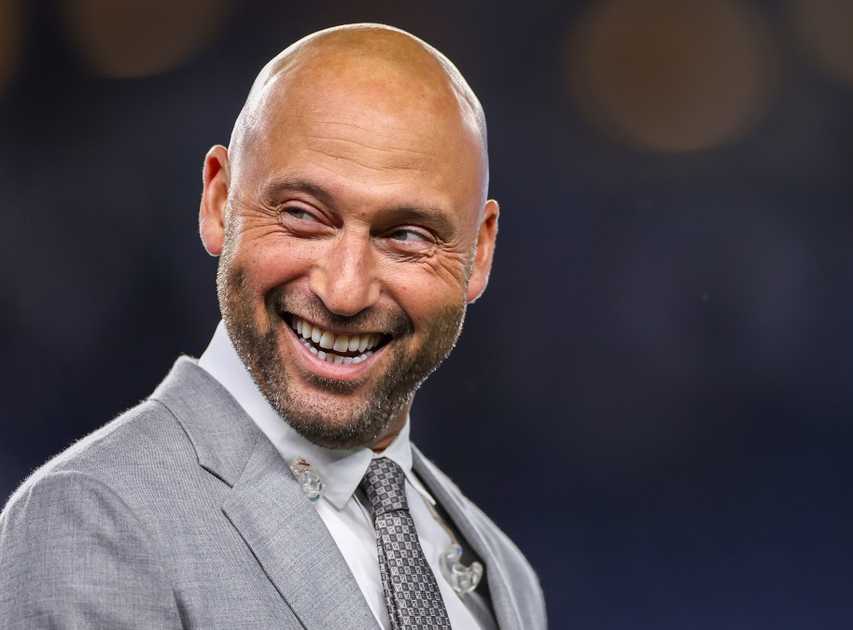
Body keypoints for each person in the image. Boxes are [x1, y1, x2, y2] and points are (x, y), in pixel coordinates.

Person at [0, 24, 545, 630]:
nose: (344, 291)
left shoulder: (503, 574)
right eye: (302, 216)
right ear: (219, 201)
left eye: (406, 236)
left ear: (480, 251)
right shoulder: (97, 521)